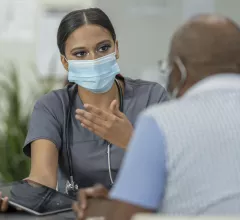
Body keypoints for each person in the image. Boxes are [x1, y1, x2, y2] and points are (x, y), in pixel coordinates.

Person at [73, 14, 240, 219]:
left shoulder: (161, 122)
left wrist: (106, 207)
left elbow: (126, 217)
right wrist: (123, 198)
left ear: (178, 71)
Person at [0, 8, 168, 211]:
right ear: (65, 62)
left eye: (103, 48)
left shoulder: (152, 97)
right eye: (80, 53)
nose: (94, 59)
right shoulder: (52, 107)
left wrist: (131, 140)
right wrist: (16, 201)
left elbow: (175, 167)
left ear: (116, 48)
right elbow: (43, 178)